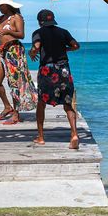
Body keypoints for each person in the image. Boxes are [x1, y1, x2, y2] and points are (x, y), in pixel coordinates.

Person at [29, 9, 81, 149]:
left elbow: (37, 46)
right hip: (64, 69)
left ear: (40, 21)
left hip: (47, 70)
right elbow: (76, 46)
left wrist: (32, 51)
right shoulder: (63, 31)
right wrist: (64, 50)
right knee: (67, 104)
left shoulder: (38, 33)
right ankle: (74, 134)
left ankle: (40, 137)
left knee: (41, 102)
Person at [0, 0, 37, 125]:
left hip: (14, 51)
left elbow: (21, 34)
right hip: (2, 51)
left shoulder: (16, 17)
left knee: (15, 84)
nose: (0, 7)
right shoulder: (0, 19)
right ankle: (8, 106)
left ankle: (16, 115)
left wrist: (8, 31)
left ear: (7, 5)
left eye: (1, 5)